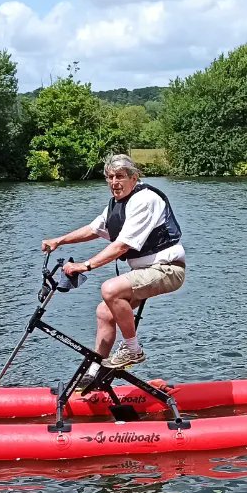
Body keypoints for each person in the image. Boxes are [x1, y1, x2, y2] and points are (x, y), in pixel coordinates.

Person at [42, 154, 186, 384]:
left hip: (167, 269)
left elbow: (121, 246)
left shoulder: (145, 199)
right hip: (144, 272)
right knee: (104, 312)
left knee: (110, 289)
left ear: (134, 178)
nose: (114, 182)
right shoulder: (116, 204)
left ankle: (133, 350)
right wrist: (59, 241)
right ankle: (95, 373)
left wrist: (85, 265)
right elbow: (93, 229)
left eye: (119, 176)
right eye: (109, 177)